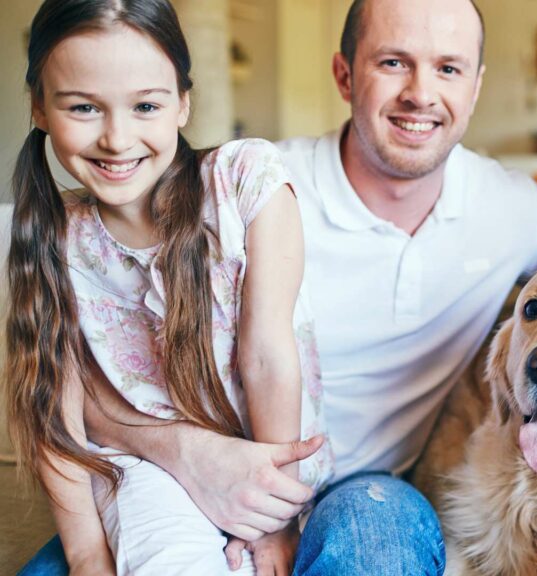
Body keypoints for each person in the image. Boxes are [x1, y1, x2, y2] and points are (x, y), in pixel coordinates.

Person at [17, 0, 537, 574]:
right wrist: (186, 453)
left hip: (359, 486)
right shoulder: (250, 188)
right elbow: (69, 381)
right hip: (174, 474)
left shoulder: (518, 212)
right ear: (344, 74)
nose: (421, 93)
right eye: (392, 62)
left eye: (449, 69)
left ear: (476, 86)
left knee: (375, 536)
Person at [6, 0, 332, 574]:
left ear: (183, 102)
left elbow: (266, 357)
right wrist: (86, 555)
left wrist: (271, 525)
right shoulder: (55, 236)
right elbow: (54, 410)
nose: (116, 137)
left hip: (270, 462)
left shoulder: (244, 184)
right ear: (39, 106)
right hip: (143, 470)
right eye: (83, 107)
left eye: (146, 105)